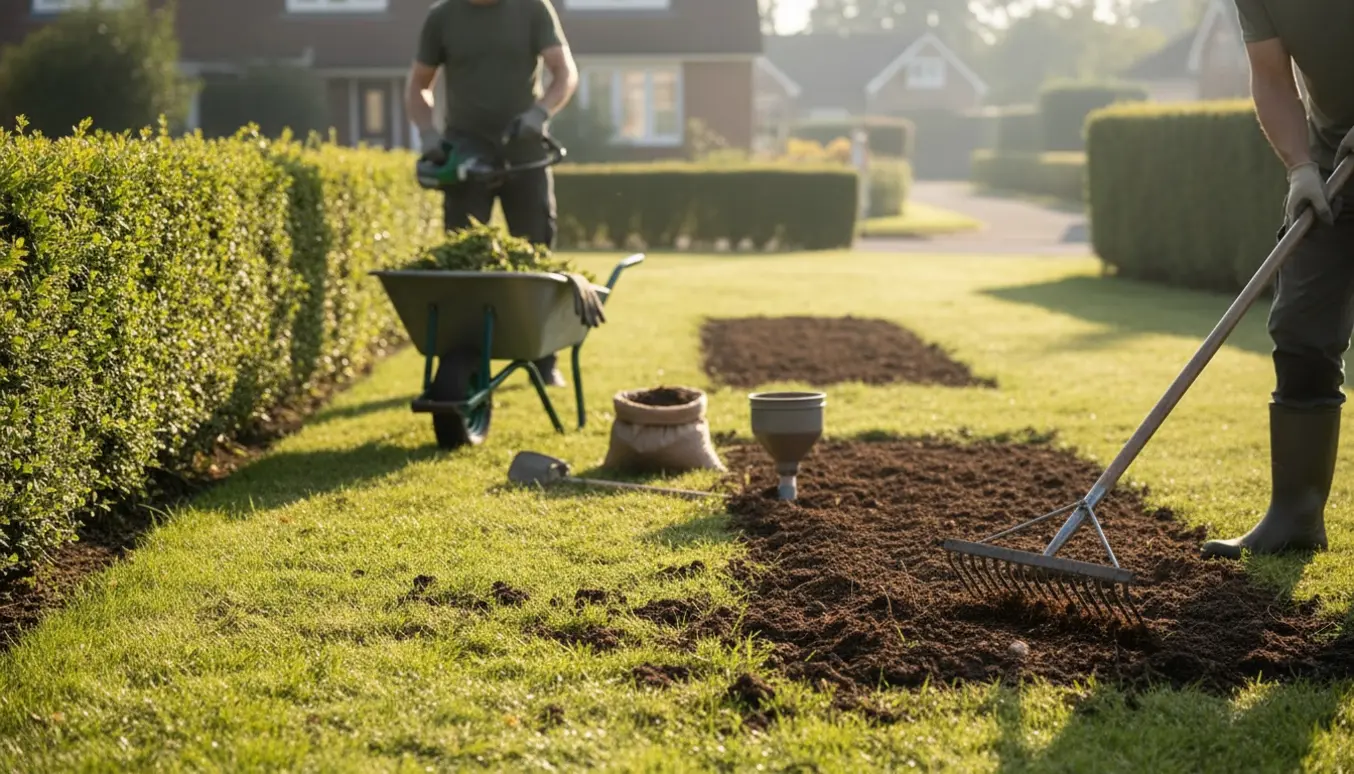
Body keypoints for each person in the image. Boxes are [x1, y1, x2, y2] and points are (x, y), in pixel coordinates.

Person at [1201, 2, 1354, 560]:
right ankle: (1295, 517)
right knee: (1300, 332)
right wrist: (1300, 168)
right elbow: (1270, 74)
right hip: (1334, 164)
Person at [404, 0, 580, 386]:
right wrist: (430, 134)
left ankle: (542, 357)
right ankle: (461, 358)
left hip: (524, 143)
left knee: (535, 250)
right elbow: (419, 84)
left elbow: (564, 72)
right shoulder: (443, 16)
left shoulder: (532, 8)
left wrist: (540, 114)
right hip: (466, 149)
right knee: (464, 256)